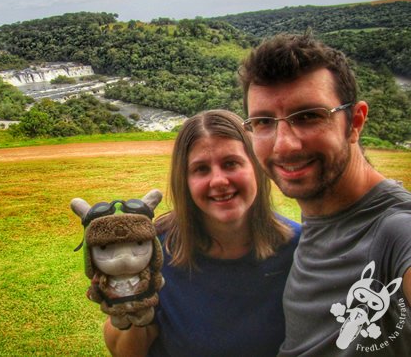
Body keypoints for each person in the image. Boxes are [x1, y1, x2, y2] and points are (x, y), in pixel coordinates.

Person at [239, 33, 411, 356]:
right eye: (263, 122)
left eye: (308, 117)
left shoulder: (396, 231)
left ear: (355, 122)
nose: (284, 144)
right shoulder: (321, 213)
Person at [103, 109, 301, 356]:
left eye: (231, 163)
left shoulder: (300, 250)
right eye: (201, 169)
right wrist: (128, 309)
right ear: (184, 181)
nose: (218, 180)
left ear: (257, 167)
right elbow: (127, 351)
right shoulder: (152, 250)